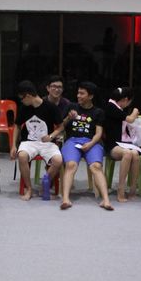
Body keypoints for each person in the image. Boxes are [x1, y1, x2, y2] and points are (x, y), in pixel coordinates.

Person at [59, 81, 112, 211]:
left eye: (82, 93)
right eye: (78, 93)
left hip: (92, 141)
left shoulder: (98, 112)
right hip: (72, 141)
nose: (78, 96)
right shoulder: (71, 107)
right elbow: (61, 126)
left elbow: (99, 133)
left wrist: (90, 144)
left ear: (91, 96)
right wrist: (68, 118)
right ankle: (65, 199)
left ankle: (106, 200)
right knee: (71, 165)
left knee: (96, 166)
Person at [12, 79, 64, 201]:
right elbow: (17, 126)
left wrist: (51, 136)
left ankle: (45, 184)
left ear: (28, 96)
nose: (21, 101)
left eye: (22, 98)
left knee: (58, 160)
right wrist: (13, 145)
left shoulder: (50, 107)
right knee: (22, 156)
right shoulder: (24, 108)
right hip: (28, 142)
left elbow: (61, 127)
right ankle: (29, 188)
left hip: (47, 142)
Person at [102, 86, 141, 202]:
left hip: (123, 143)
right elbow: (130, 119)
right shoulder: (111, 107)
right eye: (129, 102)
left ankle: (132, 189)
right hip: (112, 145)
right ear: (125, 99)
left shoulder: (118, 108)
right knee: (128, 154)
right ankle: (121, 189)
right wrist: (135, 111)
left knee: (135, 154)